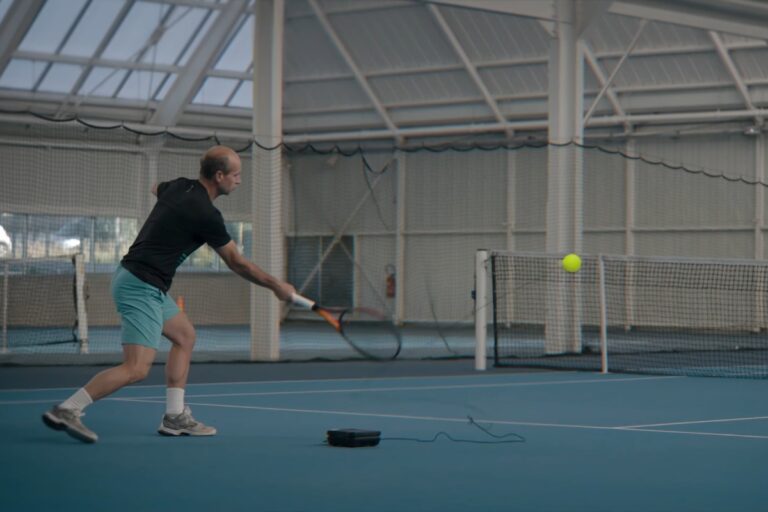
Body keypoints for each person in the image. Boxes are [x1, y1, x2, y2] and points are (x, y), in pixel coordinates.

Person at [42, 145, 296, 443]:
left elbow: (156, 188)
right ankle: (68, 409)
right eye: (236, 175)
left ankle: (175, 417)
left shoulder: (177, 186)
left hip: (139, 279)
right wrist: (277, 286)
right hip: (141, 284)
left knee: (184, 336)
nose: (239, 181)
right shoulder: (207, 214)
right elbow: (237, 263)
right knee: (136, 369)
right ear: (218, 176)